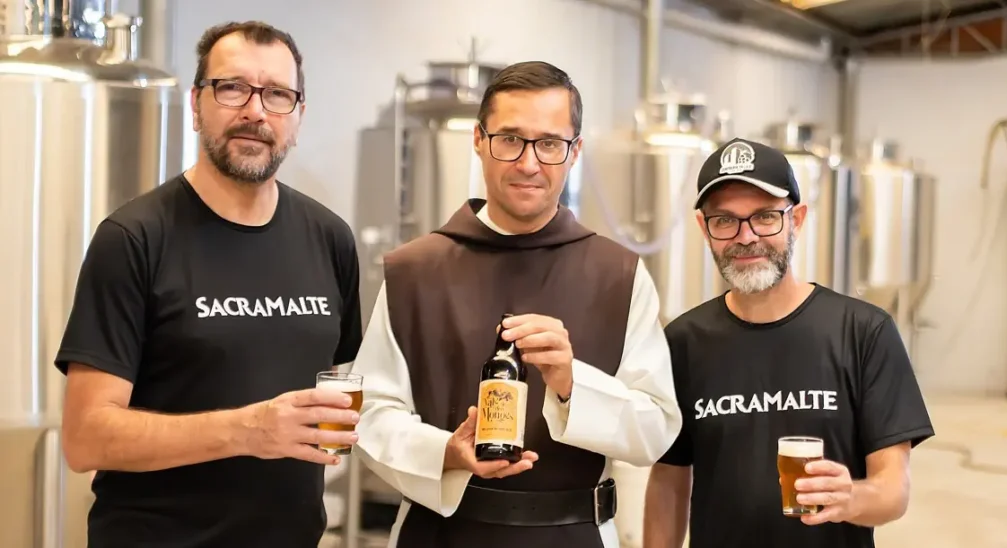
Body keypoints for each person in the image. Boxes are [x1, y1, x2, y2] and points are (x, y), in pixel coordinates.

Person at [348, 60, 682, 548]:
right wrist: (446, 451)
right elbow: (370, 413)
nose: (529, 163)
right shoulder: (414, 271)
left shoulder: (619, 275)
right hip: (441, 533)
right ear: (479, 140)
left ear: (574, 152)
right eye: (510, 139)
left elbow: (656, 429)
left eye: (549, 144)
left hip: (575, 534)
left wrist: (571, 385)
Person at [54, 21, 362, 548]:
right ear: (196, 104)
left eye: (277, 94)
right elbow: (85, 438)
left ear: (298, 117)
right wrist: (249, 430)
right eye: (232, 87)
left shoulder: (330, 238)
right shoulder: (134, 239)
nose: (256, 111)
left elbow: (344, 390)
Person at [642, 137, 936, 548]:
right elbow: (669, 480)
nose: (746, 237)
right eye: (725, 220)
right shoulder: (683, 342)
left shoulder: (863, 332)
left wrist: (851, 497)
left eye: (765, 217)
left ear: (796, 219)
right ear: (704, 229)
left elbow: (893, 490)